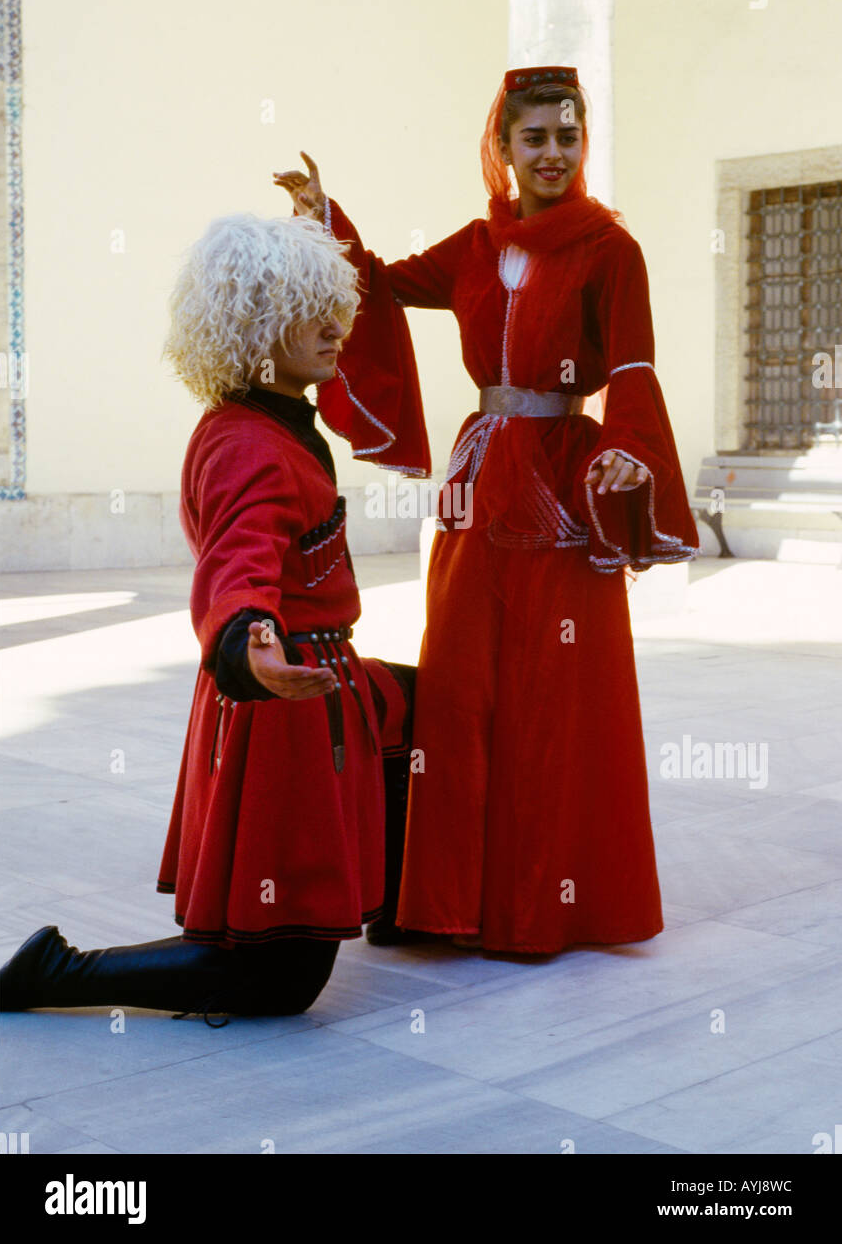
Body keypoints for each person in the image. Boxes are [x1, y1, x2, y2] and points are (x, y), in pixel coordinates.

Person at [272, 64, 700, 957]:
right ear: (501, 148)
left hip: (562, 488)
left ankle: (543, 905)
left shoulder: (608, 250)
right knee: (462, 687)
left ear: (582, 144)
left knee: (550, 691)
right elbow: (377, 286)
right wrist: (322, 217)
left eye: (566, 135)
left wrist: (628, 449)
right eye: (533, 136)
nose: (552, 152)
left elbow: (631, 366)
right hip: (478, 486)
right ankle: (449, 901)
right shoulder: (473, 247)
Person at [0, 212, 421, 1022]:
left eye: (335, 302)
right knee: (279, 983)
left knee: (426, 707)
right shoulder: (249, 443)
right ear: (255, 323)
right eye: (308, 309)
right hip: (283, 704)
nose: (336, 326)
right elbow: (239, 557)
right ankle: (59, 971)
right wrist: (247, 637)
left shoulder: (274, 416)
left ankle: (400, 904)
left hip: (320, 682)